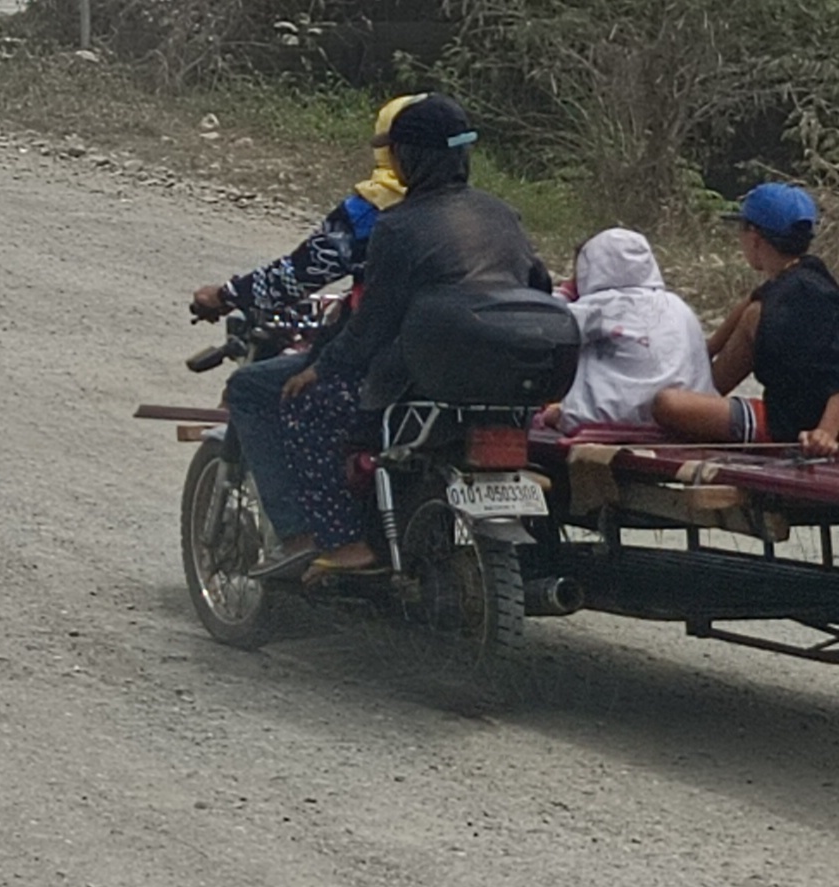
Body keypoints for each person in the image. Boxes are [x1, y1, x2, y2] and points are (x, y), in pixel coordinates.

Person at [280, 95, 550, 575]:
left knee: (308, 409)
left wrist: (320, 368)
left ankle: (346, 541)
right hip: (505, 382)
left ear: (408, 157)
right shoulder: (501, 214)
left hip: (424, 380)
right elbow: (539, 284)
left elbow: (372, 323)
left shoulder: (398, 225)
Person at [194, 97, 415, 560]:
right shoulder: (477, 210)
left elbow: (298, 274)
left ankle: (302, 536)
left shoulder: (372, 210)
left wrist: (228, 295)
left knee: (254, 389)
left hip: (378, 358)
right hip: (450, 360)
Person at [652, 183, 839, 448]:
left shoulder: (801, 300)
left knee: (666, 404)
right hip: (793, 415)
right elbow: (708, 352)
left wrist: (825, 432)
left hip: (790, 425)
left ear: (754, 237)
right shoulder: (800, 282)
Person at [545, 227, 712, 430]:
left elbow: (546, 325)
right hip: (686, 417)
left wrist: (566, 291)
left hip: (616, 418)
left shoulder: (603, 306)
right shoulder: (677, 304)